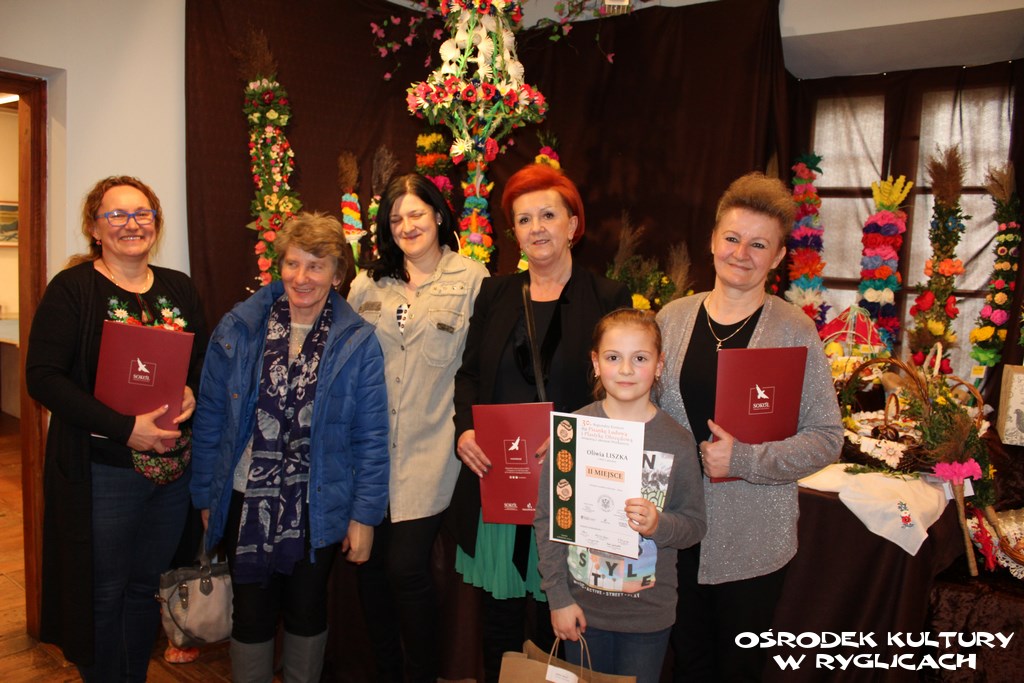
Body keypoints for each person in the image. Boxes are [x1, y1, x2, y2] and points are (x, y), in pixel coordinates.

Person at [657, 172, 843, 681]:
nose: (741, 253)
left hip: (754, 540)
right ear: (713, 240)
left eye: (759, 244)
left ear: (778, 256)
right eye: (732, 238)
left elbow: (828, 437)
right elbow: (639, 412)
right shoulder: (671, 319)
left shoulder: (794, 330)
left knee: (738, 670)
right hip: (674, 531)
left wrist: (743, 459)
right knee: (688, 665)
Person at [450, 163, 632, 681]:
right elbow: (469, 375)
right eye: (524, 219)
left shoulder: (607, 298)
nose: (537, 228)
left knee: (564, 626)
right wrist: (465, 431)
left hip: (574, 491)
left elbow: (623, 392)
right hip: (500, 483)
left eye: (548, 215)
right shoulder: (496, 294)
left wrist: (573, 439)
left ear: (573, 224)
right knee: (500, 622)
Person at [190, 211, 389, 683]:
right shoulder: (240, 328)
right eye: (293, 263)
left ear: (337, 275)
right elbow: (211, 417)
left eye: (316, 266)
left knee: (307, 609)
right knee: (251, 613)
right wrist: (205, 496)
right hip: (244, 497)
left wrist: (364, 516)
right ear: (279, 267)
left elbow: (371, 436)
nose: (302, 277)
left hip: (317, 502)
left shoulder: (358, 341)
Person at [25, 176, 207, 681]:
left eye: (142, 213)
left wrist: (192, 391)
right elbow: (43, 378)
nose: (132, 224)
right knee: (103, 593)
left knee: (144, 588)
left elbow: (200, 362)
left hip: (171, 473)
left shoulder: (178, 287)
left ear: (156, 223)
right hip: (103, 471)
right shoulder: (73, 290)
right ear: (94, 227)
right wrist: (124, 428)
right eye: (117, 215)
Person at [347, 173, 488, 682]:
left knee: (406, 567)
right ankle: (388, 671)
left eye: (416, 213)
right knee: (369, 570)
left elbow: (479, 367)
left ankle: (421, 674)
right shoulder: (366, 285)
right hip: (369, 454)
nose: (407, 226)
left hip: (433, 453)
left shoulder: (472, 279)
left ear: (439, 215)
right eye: (395, 218)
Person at [534, 309, 706, 683]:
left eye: (640, 358)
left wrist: (659, 524)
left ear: (659, 366)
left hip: (648, 617)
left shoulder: (676, 441)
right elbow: (549, 520)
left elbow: (694, 526)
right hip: (581, 610)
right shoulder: (572, 433)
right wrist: (559, 598)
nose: (626, 369)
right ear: (596, 364)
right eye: (613, 357)